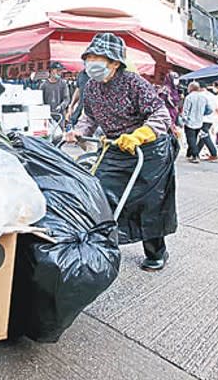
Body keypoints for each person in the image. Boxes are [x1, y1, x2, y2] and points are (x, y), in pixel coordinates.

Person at [63, 32, 175, 272]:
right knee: (100, 193)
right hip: (115, 147)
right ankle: (102, 244)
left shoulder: (134, 83)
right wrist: (77, 132)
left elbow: (161, 115)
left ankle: (157, 252)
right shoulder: (91, 87)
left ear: (115, 63)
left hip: (148, 149)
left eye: (98, 57)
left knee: (148, 203)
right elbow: (89, 117)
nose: (92, 62)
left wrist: (139, 136)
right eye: (89, 56)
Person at [181, 82, 210, 163]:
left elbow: (185, 110)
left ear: (191, 88)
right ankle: (189, 154)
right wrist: (203, 114)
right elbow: (209, 109)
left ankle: (195, 155)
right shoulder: (204, 97)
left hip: (190, 122)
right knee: (194, 138)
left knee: (191, 139)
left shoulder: (189, 97)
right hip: (199, 121)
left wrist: (184, 119)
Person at [196, 82, 218, 161]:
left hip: (203, 118)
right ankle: (196, 153)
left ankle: (214, 153)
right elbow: (216, 107)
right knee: (203, 136)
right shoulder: (212, 96)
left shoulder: (200, 96)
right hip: (210, 119)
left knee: (205, 136)